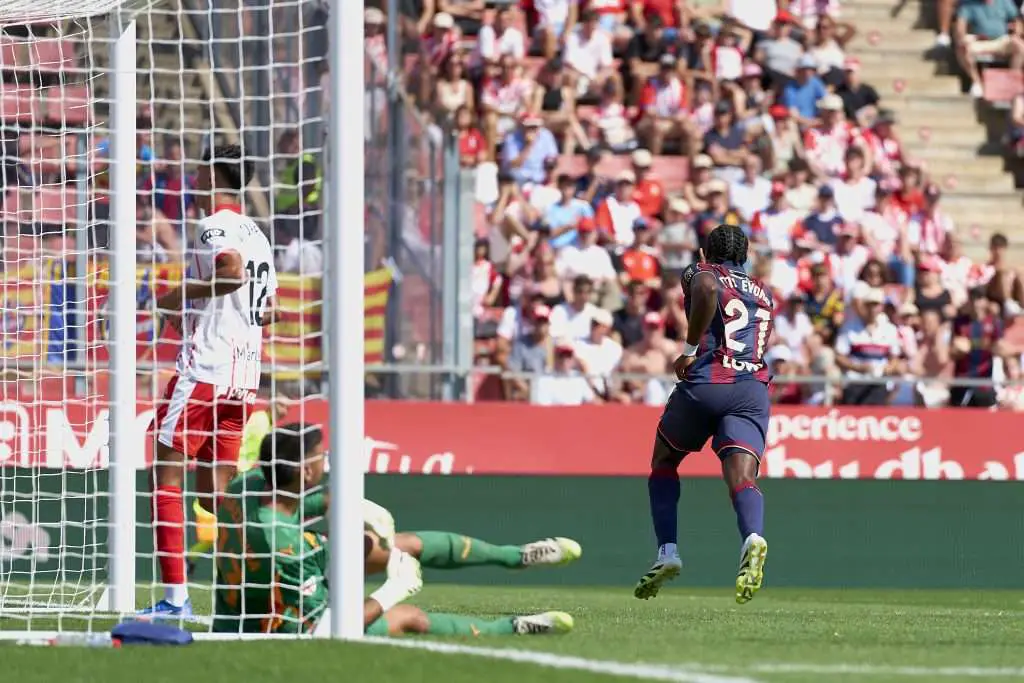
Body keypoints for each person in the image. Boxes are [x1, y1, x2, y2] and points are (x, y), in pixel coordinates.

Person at [213, 424, 578, 635]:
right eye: (321, 457)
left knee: (399, 544)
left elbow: (299, 502)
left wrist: (352, 503)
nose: (325, 462)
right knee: (410, 616)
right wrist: (392, 592)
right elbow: (328, 628)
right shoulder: (286, 543)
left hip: (258, 583)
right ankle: (513, 627)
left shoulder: (250, 484)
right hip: (277, 624)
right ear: (306, 471)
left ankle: (516, 556)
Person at [143, 144, 278, 618]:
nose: (195, 182)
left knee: (165, 480)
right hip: (244, 380)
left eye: (200, 173)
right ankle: (270, 570)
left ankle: (175, 600)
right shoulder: (259, 235)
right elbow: (268, 311)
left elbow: (231, 274)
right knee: (215, 496)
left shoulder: (214, 225)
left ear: (214, 176)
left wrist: (178, 295)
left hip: (205, 372)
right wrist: (197, 311)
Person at [636, 224, 773, 605]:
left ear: (704, 253)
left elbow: (708, 288)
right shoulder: (763, 291)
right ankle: (753, 537)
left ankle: (668, 552)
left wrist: (689, 349)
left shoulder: (702, 271)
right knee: (742, 477)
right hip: (752, 389)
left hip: (709, 381)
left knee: (664, 461)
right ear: (745, 256)